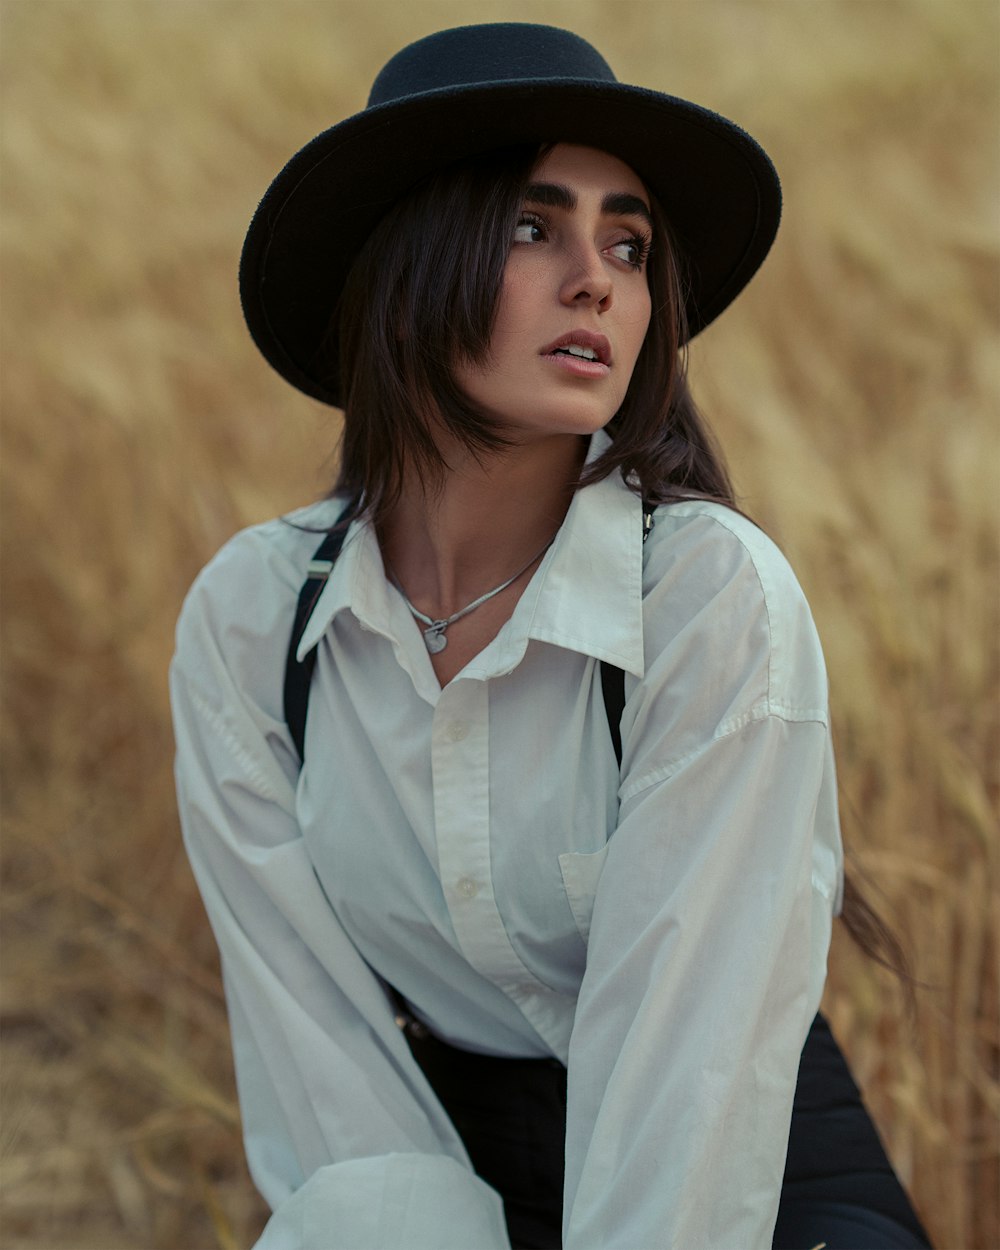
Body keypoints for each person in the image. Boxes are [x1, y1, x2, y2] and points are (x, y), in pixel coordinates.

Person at [170, 23, 932, 1250]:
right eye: (534, 228)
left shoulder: (703, 599)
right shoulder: (252, 625)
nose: (598, 281)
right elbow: (324, 1071)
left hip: (735, 1165)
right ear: (405, 264)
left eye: (627, 243)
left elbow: (692, 1091)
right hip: (434, 1153)